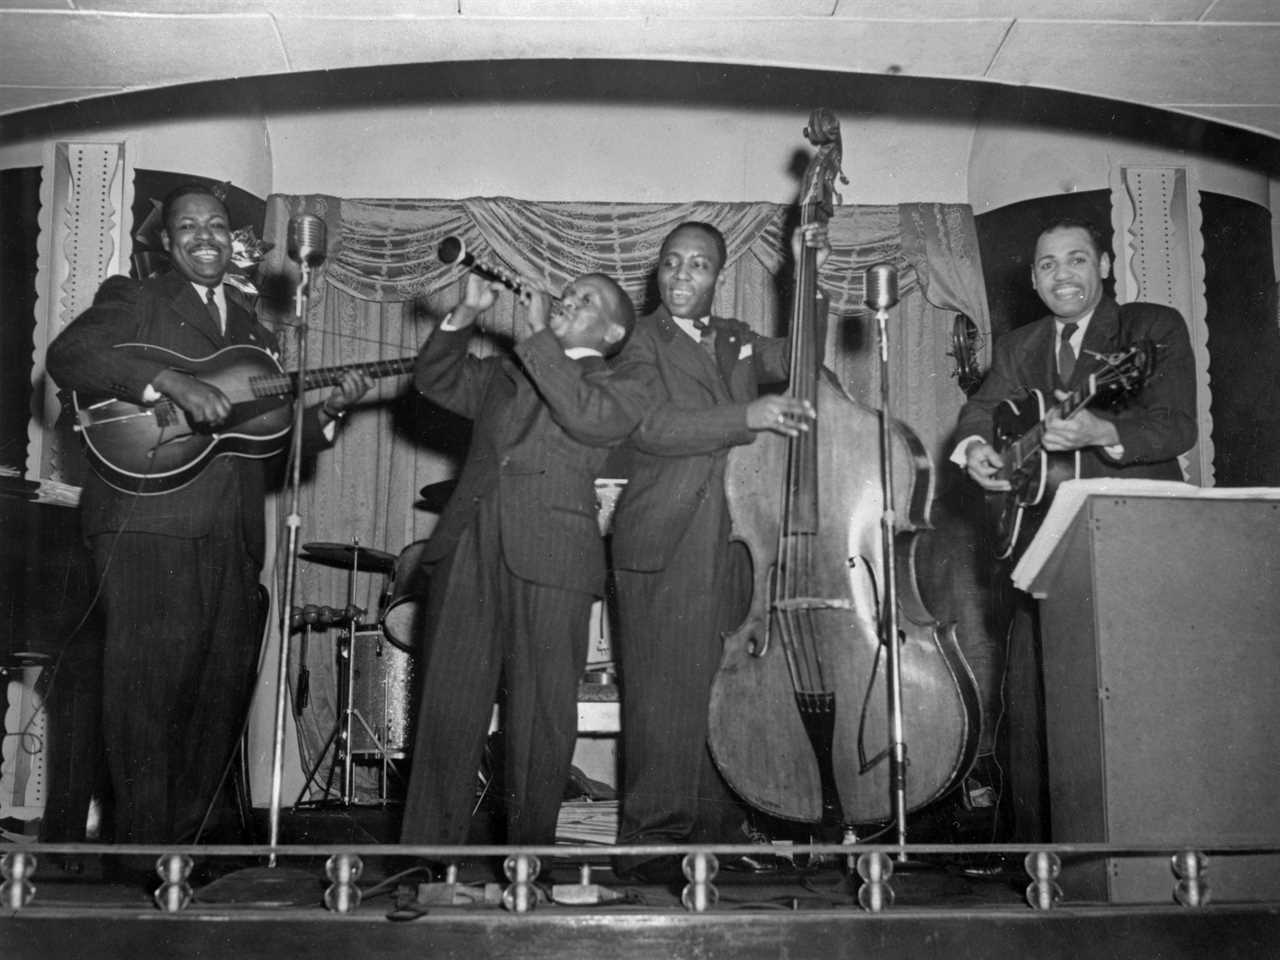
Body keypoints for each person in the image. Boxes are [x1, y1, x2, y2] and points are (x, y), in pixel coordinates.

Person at [45, 183, 372, 854]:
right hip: (148, 525)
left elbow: (266, 434)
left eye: (218, 226)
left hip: (232, 535)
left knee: (217, 703)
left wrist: (329, 412)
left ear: (233, 241)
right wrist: (167, 382)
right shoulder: (133, 297)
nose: (205, 236)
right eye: (189, 226)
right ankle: (141, 862)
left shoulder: (251, 326)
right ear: (167, 242)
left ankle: (185, 858)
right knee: (146, 701)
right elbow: (68, 357)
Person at [952, 216, 1197, 841]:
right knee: (1036, 702)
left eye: (1077, 259)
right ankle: (1038, 852)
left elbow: (1175, 427)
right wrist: (977, 446)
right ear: (1034, 280)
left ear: (1105, 265)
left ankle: (1152, 842)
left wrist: (1105, 431)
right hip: (1040, 542)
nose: (1063, 274)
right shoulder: (1016, 347)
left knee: (1135, 696)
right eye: (1048, 264)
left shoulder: (1150, 329)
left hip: (1133, 537)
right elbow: (979, 412)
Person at [399, 267, 643, 854]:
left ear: (611, 333)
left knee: (539, 721)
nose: (569, 299)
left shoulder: (620, 384)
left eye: (588, 300)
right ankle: (421, 862)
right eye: (570, 290)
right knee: (446, 711)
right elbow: (434, 380)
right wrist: (464, 316)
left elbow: (585, 416)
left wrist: (536, 337)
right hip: (468, 548)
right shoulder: (506, 373)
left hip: (555, 559)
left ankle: (528, 862)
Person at [606, 221, 823, 882]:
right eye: (672, 262)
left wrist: (806, 269)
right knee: (662, 694)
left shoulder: (734, 339)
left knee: (720, 692)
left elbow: (801, 360)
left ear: (716, 276)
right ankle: (649, 846)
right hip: (666, 535)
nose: (680, 275)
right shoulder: (640, 339)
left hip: (731, 537)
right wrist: (746, 416)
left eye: (697, 265)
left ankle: (714, 837)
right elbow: (651, 427)